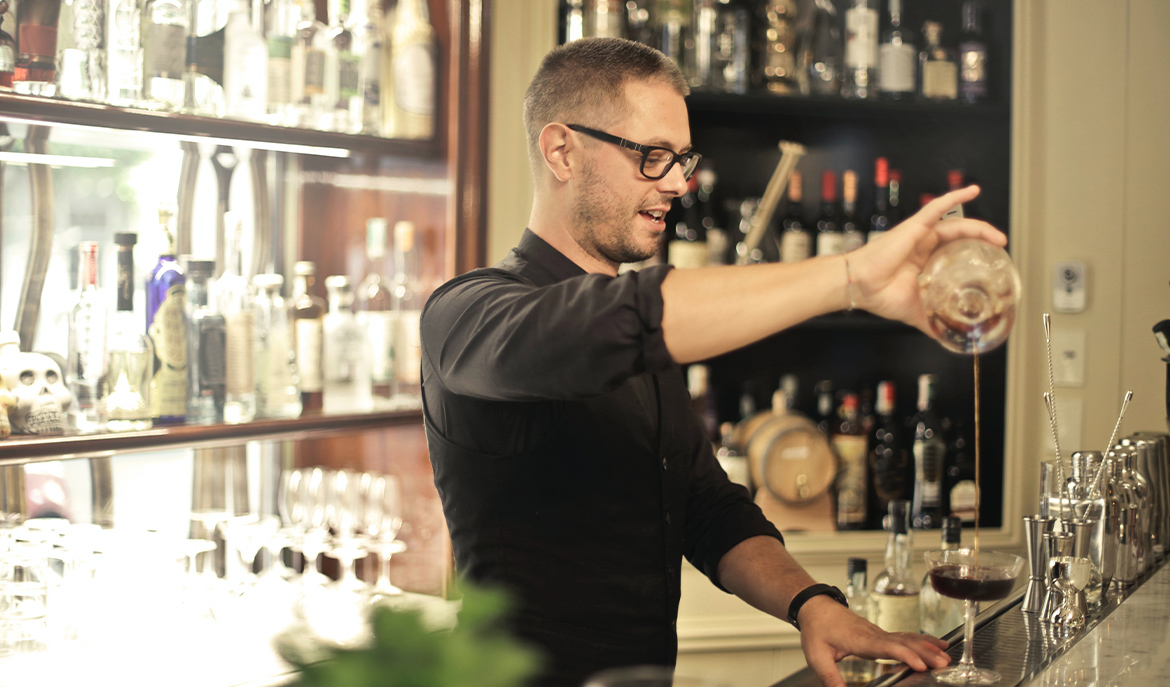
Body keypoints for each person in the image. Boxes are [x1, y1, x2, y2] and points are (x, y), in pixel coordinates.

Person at [421, 37, 1004, 687]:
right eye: (652, 157)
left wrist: (812, 604)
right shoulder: (467, 315)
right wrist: (851, 278)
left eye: (682, 158)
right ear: (562, 150)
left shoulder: (648, 340)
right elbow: (620, 320)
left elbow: (708, 506)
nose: (678, 182)